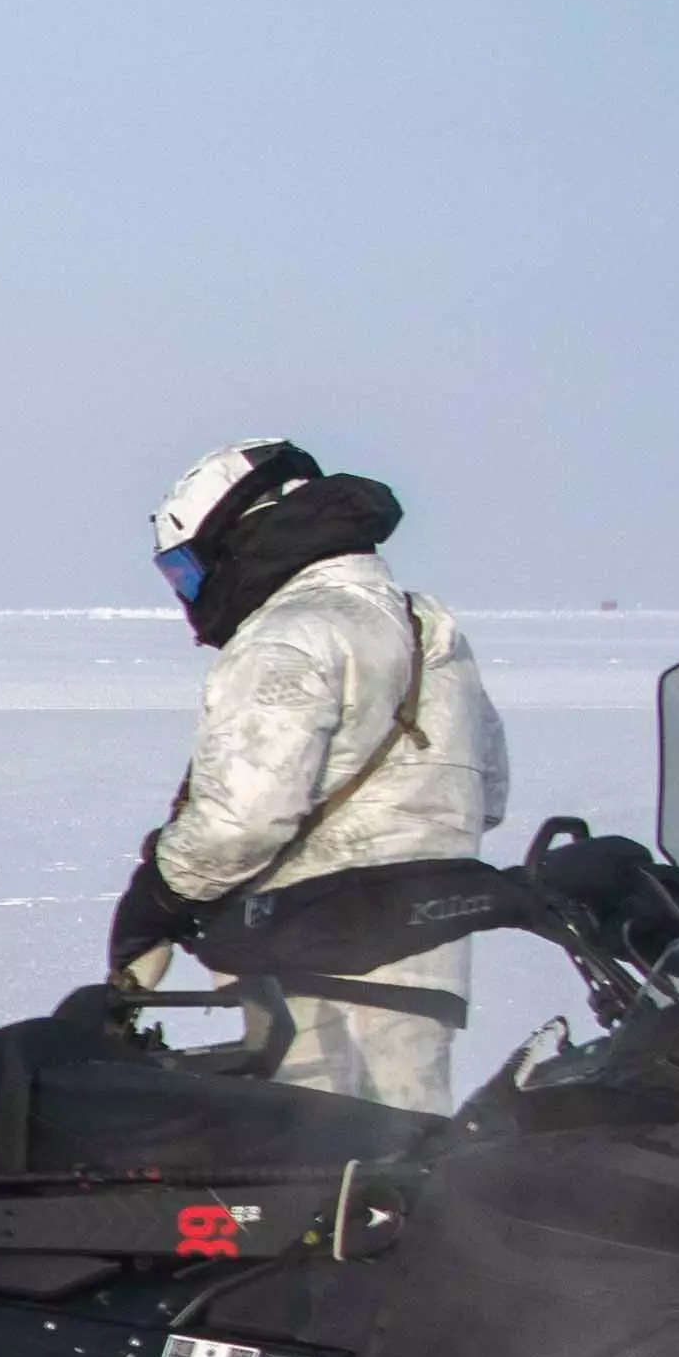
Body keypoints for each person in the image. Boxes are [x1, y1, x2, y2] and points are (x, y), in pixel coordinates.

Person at [105, 441, 507, 1109]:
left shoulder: (286, 635)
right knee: (414, 1172)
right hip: (428, 958)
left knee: (307, 1178)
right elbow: (486, 791)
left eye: (186, 572)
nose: (191, 596)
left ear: (234, 538)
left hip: (308, 964)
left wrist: (160, 896)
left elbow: (243, 821)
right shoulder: (427, 625)